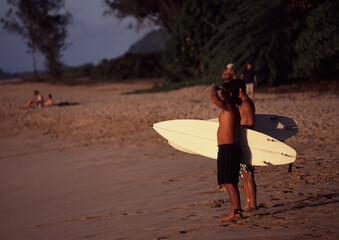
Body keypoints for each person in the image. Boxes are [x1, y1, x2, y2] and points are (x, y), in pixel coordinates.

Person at [210, 82, 243, 222]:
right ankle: (233, 211)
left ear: (229, 94)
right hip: (225, 148)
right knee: (228, 182)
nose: (221, 94)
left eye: (223, 92)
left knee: (230, 182)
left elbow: (214, 99)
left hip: (229, 148)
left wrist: (212, 88)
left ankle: (237, 212)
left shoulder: (229, 107)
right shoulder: (230, 107)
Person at [232, 79, 258, 212]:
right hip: (242, 142)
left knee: (248, 174)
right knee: (243, 174)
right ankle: (248, 201)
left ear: (240, 90)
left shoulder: (246, 104)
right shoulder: (242, 103)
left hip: (247, 143)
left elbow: (251, 122)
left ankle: (253, 204)